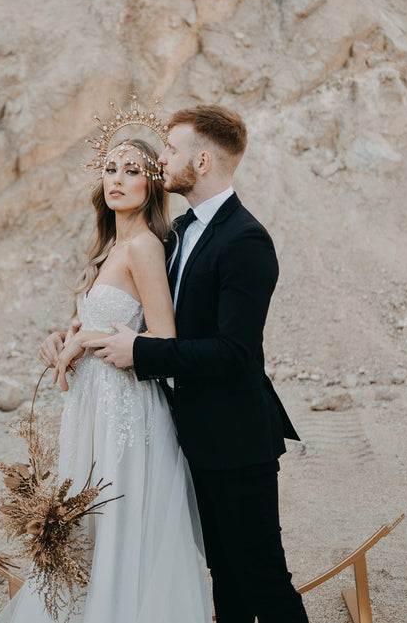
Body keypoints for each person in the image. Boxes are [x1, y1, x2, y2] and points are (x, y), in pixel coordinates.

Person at [82, 106, 309, 623]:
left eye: (170, 150)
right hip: (196, 438)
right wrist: (78, 335)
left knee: (264, 581)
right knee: (225, 580)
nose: (161, 160)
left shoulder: (245, 240)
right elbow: (134, 302)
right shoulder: (184, 230)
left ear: (202, 160)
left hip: (238, 440)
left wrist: (141, 352)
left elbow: (234, 353)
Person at [0, 137, 213, 623]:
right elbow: (101, 324)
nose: (116, 178)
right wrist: (62, 338)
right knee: (87, 520)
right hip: (93, 405)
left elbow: (161, 337)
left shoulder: (144, 247)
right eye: (110, 168)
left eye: (131, 170)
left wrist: (87, 337)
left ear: (152, 181)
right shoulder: (111, 246)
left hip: (127, 409)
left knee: (116, 516)